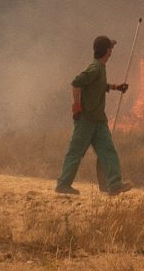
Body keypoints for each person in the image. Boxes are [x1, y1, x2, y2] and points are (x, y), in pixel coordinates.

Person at [55, 35, 129, 196]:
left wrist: (117, 87)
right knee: (75, 152)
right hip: (86, 120)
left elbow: (100, 85)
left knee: (108, 151)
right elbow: (76, 83)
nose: (112, 51)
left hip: (99, 120)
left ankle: (115, 185)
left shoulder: (100, 67)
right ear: (107, 51)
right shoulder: (95, 68)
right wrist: (77, 106)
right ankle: (63, 184)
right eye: (110, 49)